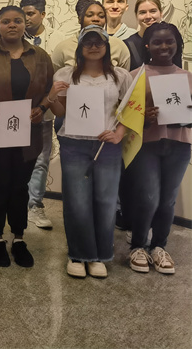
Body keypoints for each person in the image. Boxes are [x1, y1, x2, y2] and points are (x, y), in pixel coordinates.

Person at [0, 5, 54, 268]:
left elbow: (49, 91)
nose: (12, 25)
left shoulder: (40, 56)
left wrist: (42, 109)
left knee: (19, 186)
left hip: (28, 133)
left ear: (25, 24)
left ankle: (18, 238)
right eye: (6, 21)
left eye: (17, 21)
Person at [48, 25, 132, 279]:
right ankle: (78, 254)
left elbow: (131, 109)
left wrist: (119, 133)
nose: (93, 47)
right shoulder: (66, 74)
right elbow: (60, 112)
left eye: (99, 42)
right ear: (80, 46)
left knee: (106, 201)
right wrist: (52, 96)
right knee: (77, 201)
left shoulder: (120, 76)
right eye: (88, 42)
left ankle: (100, 255)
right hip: (74, 144)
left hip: (107, 145)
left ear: (106, 46)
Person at [128, 23, 191, 275]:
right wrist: (144, 117)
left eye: (169, 41)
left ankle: (159, 246)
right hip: (147, 145)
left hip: (179, 144)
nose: (164, 47)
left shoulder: (187, 77)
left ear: (177, 44)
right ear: (147, 45)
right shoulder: (135, 76)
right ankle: (137, 246)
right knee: (148, 198)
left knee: (167, 200)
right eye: (157, 42)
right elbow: (124, 117)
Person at [20, 0, 66, 230]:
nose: (26, 18)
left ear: (43, 14)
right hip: (17, 111)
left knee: (40, 160)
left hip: (45, 111)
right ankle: (15, 205)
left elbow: (60, 77)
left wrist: (46, 104)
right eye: (23, 14)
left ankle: (35, 205)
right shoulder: (13, 38)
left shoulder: (58, 41)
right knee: (14, 159)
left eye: (30, 13)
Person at [51, 0, 131, 72]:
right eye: (89, 15)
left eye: (101, 16)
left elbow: (124, 78)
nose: (96, 19)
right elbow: (56, 76)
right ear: (79, 19)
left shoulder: (118, 46)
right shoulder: (63, 48)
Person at [124, 0, 183, 71]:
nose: (148, 16)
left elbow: (178, 71)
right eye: (142, 12)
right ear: (136, 15)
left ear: (161, 13)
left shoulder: (172, 42)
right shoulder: (127, 45)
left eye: (153, 11)